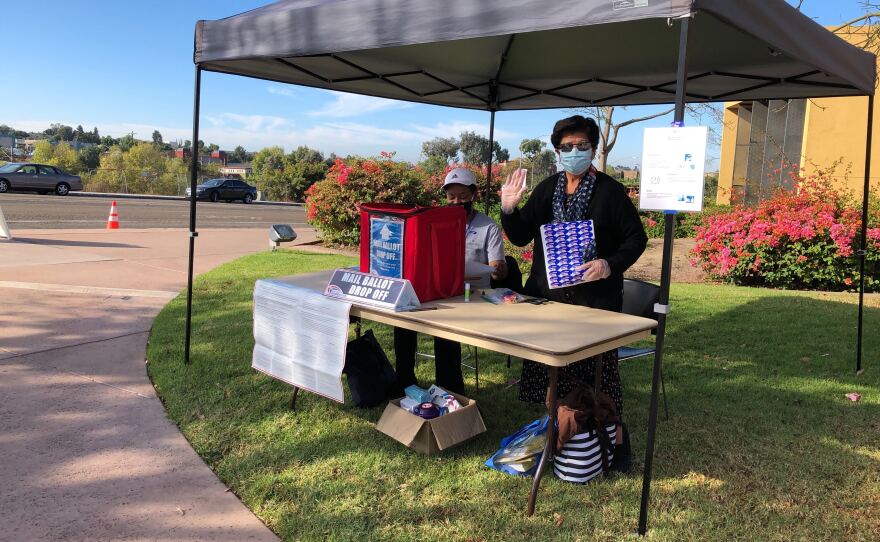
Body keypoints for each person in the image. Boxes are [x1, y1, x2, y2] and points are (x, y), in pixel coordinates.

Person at [499, 115, 647, 469]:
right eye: (567, 147)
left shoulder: (609, 192)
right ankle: (560, 435)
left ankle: (613, 445)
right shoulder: (547, 189)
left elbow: (636, 238)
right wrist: (508, 208)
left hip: (593, 302)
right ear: (557, 151)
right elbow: (520, 235)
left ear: (593, 149)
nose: (575, 152)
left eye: (582, 146)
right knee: (552, 371)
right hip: (547, 299)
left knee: (599, 375)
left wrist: (609, 264)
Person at [394, 167, 507, 395]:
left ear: (474, 195)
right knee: (403, 319)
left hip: (470, 294)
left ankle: (449, 389)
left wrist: (496, 270)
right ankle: (404, 383)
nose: (457, 202)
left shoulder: (488, 227)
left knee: (445, 329)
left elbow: (498, 270)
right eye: (451, 197)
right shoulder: (434, 222)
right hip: (438, 290)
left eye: (463, 197)